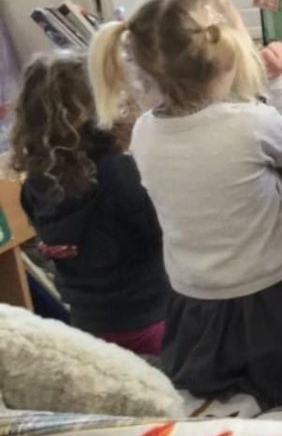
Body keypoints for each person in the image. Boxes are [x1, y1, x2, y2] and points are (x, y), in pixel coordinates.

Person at [90, 0, 282, 408]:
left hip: (198, 296)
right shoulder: (248, 123)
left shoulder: (144, 132)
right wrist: (281, 80)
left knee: (224, 397)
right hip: (281, 285)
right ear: (230, 51)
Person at [9, 51, 169, 356]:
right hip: (154, 321)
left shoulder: (34, 187)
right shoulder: (120, 175)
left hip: (91, 330)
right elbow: (166, 238)